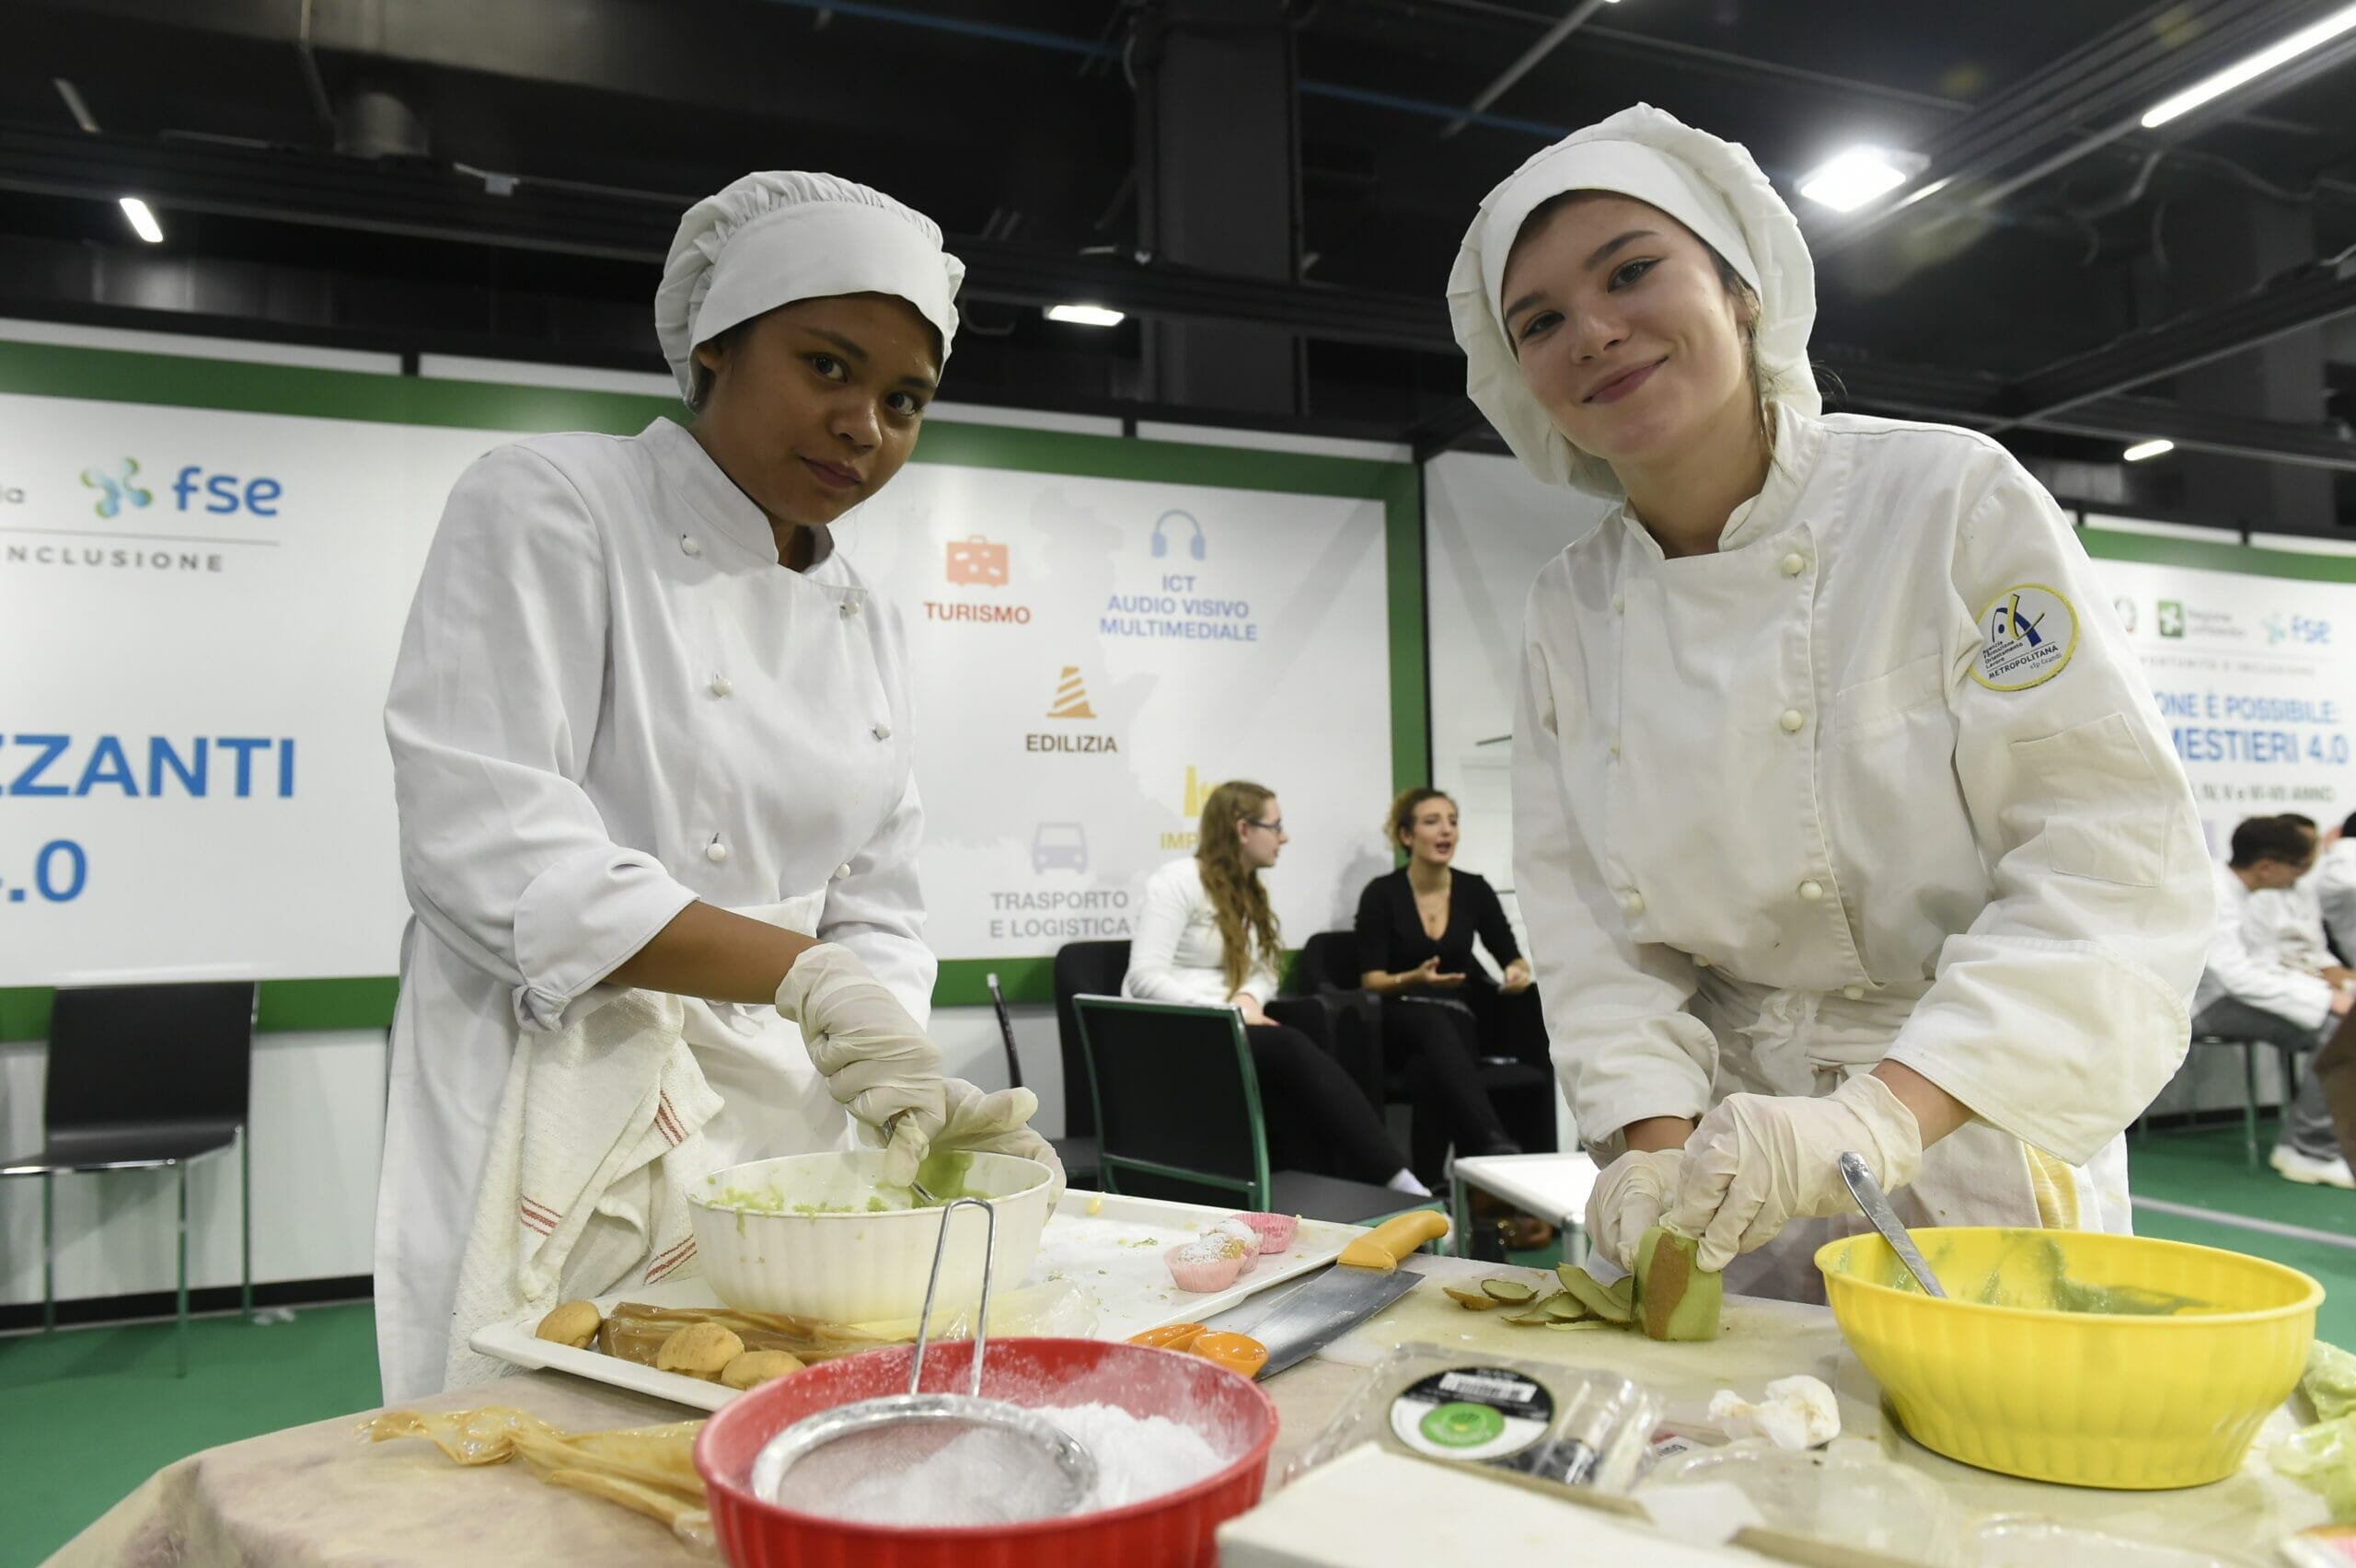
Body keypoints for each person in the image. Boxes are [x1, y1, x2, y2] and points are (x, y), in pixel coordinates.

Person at [1448, 104, 2212, 1298]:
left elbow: (2107, 857)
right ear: (1521, 379)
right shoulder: (1570, 609)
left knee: (1990, 1465)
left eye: (1633, 270)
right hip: (1731, 1162)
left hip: (1967, 1126)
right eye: (1539, 322)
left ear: (1742, 288)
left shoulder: (1945, 501)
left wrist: (1881, 1122)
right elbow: (1593, 926)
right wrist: (1655, 1151)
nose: (1592, 332)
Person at [378, 172, 1057, 1401]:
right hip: (568, 1069)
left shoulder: (868, 615)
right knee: (554, 1438)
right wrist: (806, 976)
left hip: (784, 1102)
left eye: (906, 400)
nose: (865, 425)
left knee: (769, 1415)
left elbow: (880, 899)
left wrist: (881, 1046)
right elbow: (493, 847)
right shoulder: (555, 503)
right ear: (715, 344)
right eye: (828, 366)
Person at [1126, 780, 1428, 1195]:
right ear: (1242, 829)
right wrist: (1227, 1013)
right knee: (1288, 1046)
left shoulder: (1250, 892)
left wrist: (1247, 999)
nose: (1284, 837)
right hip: (1180, 1028)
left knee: (1310, 1040)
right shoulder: (1176, 881)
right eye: (1275, 825)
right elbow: (1144, 978)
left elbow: (1265, 968)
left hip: (1230, 1025)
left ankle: (1323, 1199)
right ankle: (1403, 1184)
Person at [1355, 787, 1553, 1170]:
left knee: (1429, 1071)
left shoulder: (1474, 889)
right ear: (1407, 836)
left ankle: (1430, 1187)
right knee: (1433, 1027)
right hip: (1397, 1013)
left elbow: (1511, 957)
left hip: (1456, 1015)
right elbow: (1371, 980)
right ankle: (1492, 1141)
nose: (1446, 831)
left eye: (1452, 821)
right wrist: (1413, 978)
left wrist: (1516, 971)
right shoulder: (1381, 894)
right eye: (1432, 822)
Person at [2192, 815, 2355, 1187]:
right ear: (2267, 867)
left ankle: (2309, 1144)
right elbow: (2234, 977)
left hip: (2235, 994)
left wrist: (2327, 990)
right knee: (2338, 1033)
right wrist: (2326, 999)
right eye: (2296, 868)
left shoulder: (2247, 891)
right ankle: (2310, 1149)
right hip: (2205, 1004)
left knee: (2340, 1027)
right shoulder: (2216, 893)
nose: (2298, 878)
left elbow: (2262, 965)